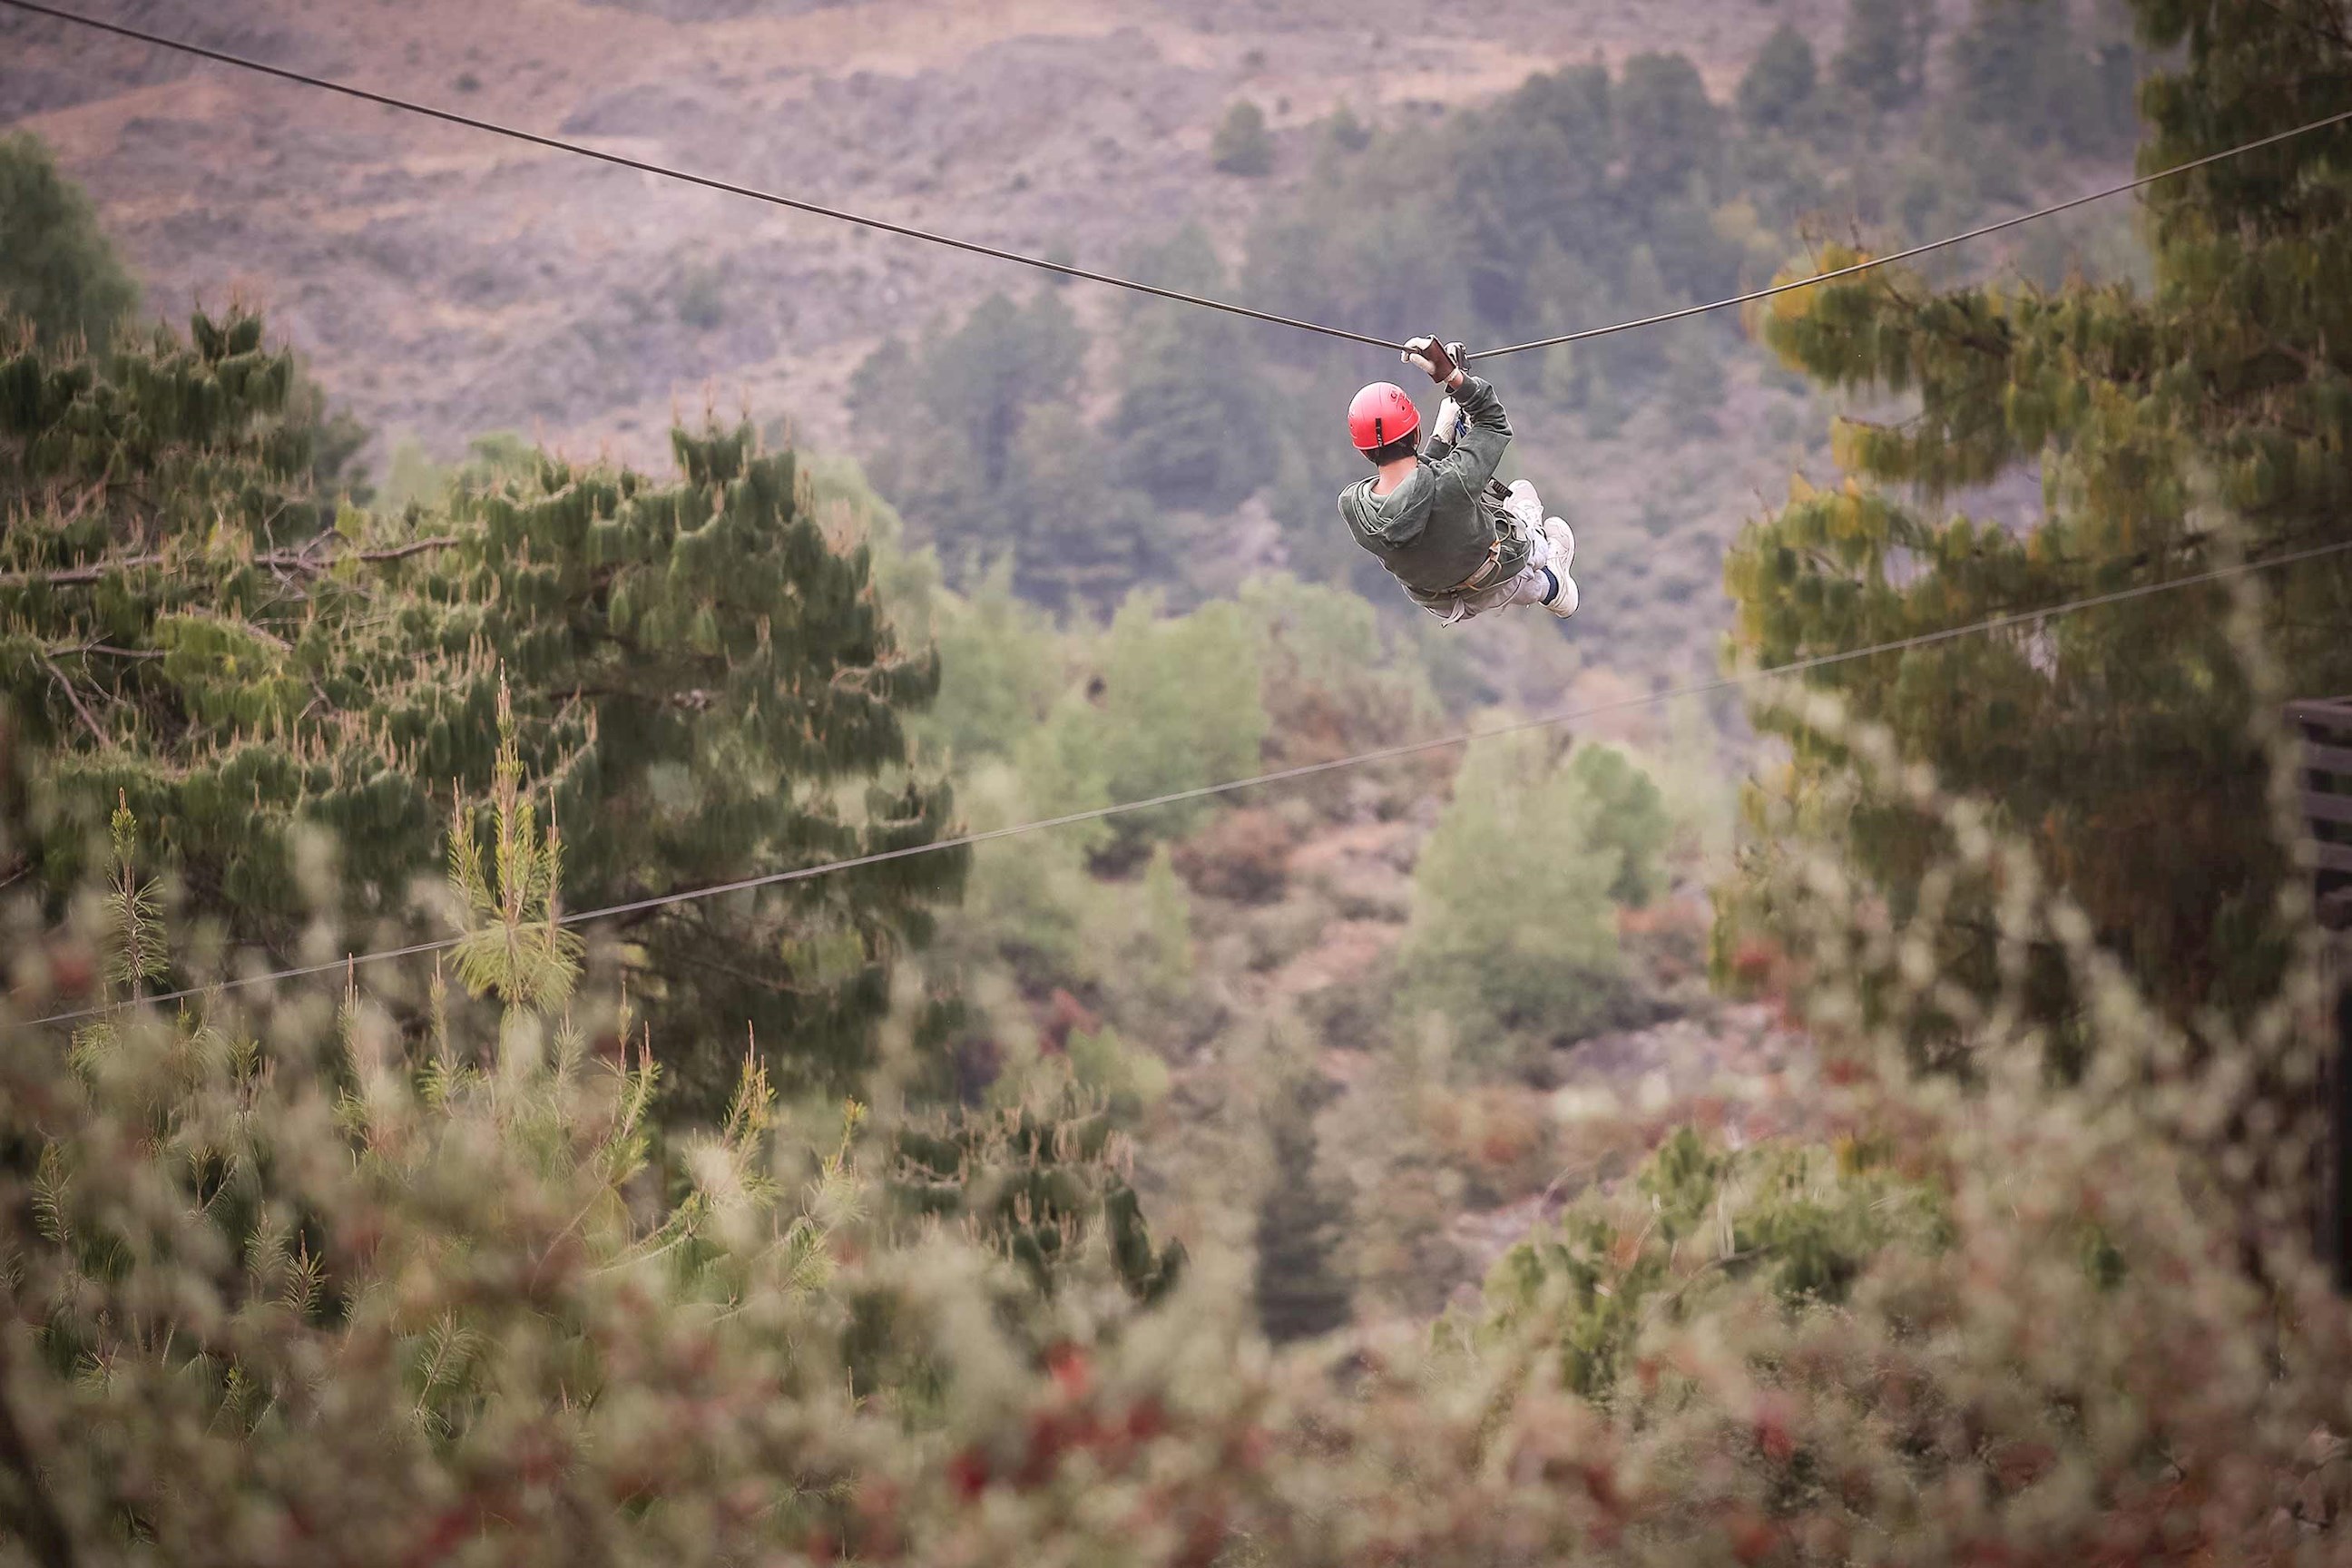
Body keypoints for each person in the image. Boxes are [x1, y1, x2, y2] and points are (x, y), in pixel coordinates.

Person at [1337, 337, 1576, 626]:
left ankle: (1547, 585)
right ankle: (1550, 578)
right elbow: (1492, 423)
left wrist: (1440, 442)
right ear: (1415, 434)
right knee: (1523, 494)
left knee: (1487, 574)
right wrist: (1454, 378)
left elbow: (1413, 497)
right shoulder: (1453, 480)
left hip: (1440, 600)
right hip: (1496, 575)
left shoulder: (1353, 508)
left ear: (1364, 451)